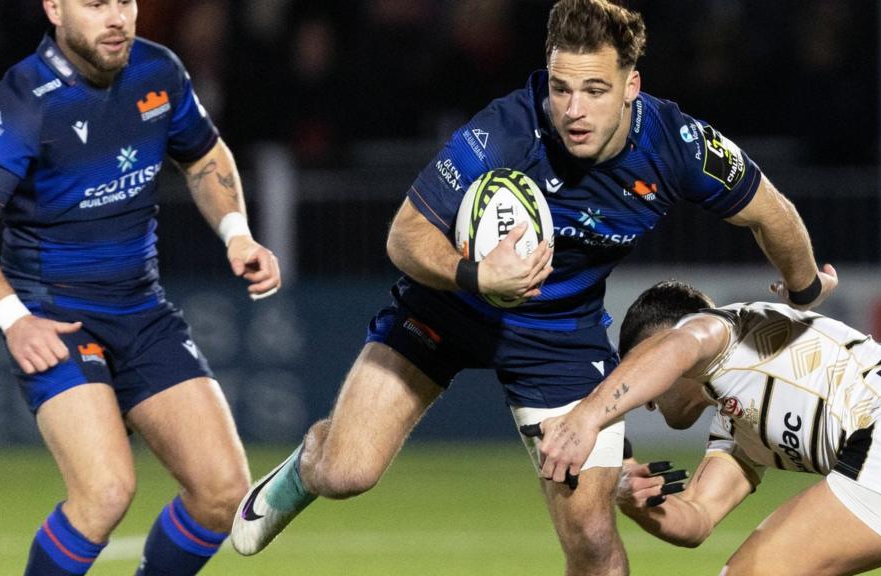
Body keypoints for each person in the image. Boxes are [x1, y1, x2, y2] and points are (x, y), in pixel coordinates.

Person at [231, 1, 835, 573]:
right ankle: (300, 470)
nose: (573, 109)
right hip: (448, 305)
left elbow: (769, 212)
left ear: (631, 87)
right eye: (561, 87)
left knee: (595, 541)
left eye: (595, 90)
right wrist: (477, 275)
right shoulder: (506, 130)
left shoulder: (678, 146)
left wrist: (804, 288)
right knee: (346, 473)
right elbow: (405, 236)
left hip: (558, 338)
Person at [0, 1, 281, 574]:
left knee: (224, 494)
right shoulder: (22, 100)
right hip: (58, 317)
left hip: (143, 312)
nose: (117, 16)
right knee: (106, 492)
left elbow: (203, 156)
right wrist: (12, 317)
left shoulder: (158, 70)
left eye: (125, 1)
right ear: (54, 9)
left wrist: (236, 234)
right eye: (95, 4)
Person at [536, 280, 881, 575]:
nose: (649, 404)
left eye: (638, 365)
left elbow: (682, 343)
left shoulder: (727, 331)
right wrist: (634, 503)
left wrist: (587, 415)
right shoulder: (736, 419)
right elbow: (697, 519)